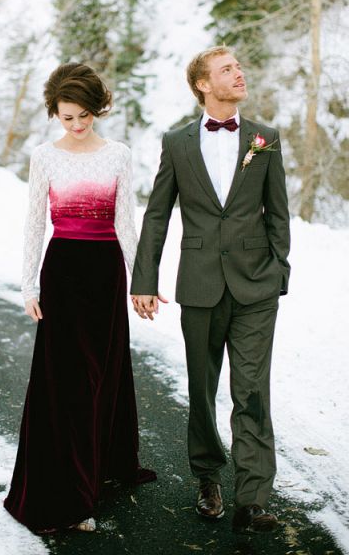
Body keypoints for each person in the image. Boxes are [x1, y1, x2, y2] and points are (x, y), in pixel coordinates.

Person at [130, 46, 290, 533]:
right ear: (203, 84)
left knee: (252, 391)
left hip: (256, 286)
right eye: (227, 70)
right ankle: (207, 476)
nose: (239, 74)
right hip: (198, 284)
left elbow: (277, 211)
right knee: (201, 389)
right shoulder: (177, 143)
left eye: (239, 67)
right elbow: (158, 213)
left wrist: (279, 270)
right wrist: (145, 279)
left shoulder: (266, 138)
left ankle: (254, 497)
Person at [4, 62, 156, 534]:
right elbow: (34, 223)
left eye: (85, 115)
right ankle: (68, 490)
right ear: (55, 113)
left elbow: (125, 222)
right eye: (67, 117)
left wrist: (141, 281)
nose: (76, 124)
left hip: (105, 272)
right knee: (66, 382)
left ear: (98, 108)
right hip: (64, 271)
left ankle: (102, 465)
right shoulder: (44, 156)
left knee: (102, 375)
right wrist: (29, 284)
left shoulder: (118, 154)